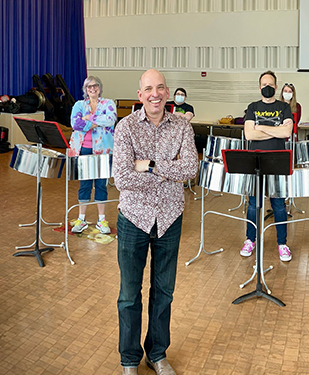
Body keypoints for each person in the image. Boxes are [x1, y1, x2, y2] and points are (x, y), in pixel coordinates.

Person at [112, 69, 198, 375]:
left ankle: (157, 353)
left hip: (170, 218)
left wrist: (148, 166)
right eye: (149, 88)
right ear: (140, 95)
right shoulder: (125, 128)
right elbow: (121, 177)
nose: (155, 94)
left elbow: (190, 168)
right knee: (128, 294)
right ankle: (130, 360)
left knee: (164, 292)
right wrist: (166, 173)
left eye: (160, 87)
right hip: (133, 218)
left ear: (168, 92)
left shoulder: (182, 127)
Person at [241, 70, 294, 262]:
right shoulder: (253, 107)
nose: (267, 88)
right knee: (254, 204)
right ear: (259, 87)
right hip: (256, 161)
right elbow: (249, 135)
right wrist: (275, 130)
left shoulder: (284, 107)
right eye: (264, 85)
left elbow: (287, 131)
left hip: (277, 161)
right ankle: (250, 240)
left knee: (278, 204)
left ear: (276, 86)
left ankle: (282, 244)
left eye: (270, 84)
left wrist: (261, 127)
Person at [68, 76, 117, 234]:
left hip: (103, 149)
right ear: (85, 89)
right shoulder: (79, 105)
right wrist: (93, 121)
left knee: (101, 185)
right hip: (83, 149)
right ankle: (81, 219)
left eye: (95, 86)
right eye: (89, 86)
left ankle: (101, 220)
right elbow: (75, 124)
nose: (92, 88)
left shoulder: (108, 103)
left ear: (100, 88)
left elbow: (110, 120)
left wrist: (88, 119)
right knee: (85, 185)